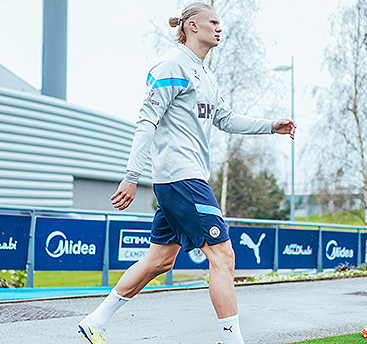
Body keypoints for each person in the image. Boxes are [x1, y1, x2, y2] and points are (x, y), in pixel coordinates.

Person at [78, 2, 296, 344]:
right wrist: (132, 175)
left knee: (160, 260)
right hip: (181, 179)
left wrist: (271, 126)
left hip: (184, 180)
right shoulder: (170, 66)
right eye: (213, 21)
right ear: (192, 26)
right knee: (223, 255)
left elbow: (224, 119)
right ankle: (232, 340)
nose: (219, 28)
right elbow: (145, 122)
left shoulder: (205, 74)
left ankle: (95, 321)